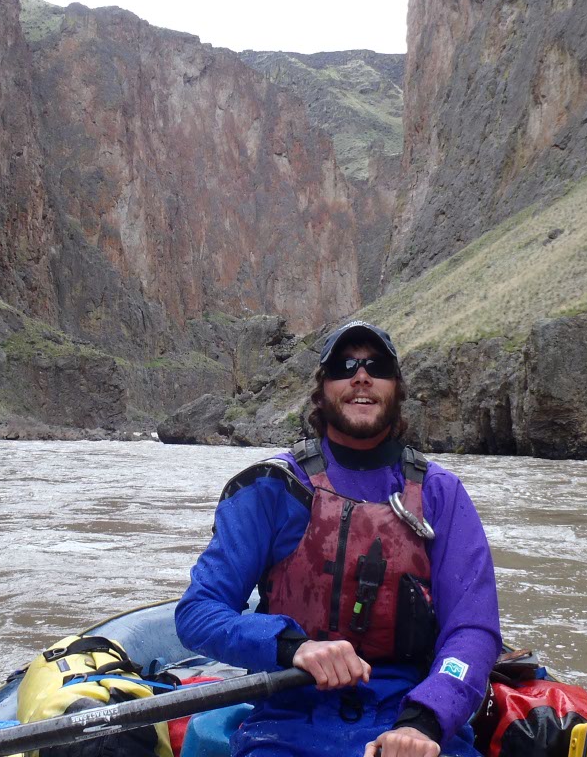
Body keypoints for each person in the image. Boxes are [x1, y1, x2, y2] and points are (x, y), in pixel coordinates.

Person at [175, 320, 500, 757]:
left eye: (377, 366)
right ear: (322, 389)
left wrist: (425, 720)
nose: (361, 376)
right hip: (288, 720)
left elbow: (473, 629)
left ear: (397, 388)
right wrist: (291, 646)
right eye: (345, 366)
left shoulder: (441, 494)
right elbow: (198, 613)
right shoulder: (274, 487)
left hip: (411, 718)